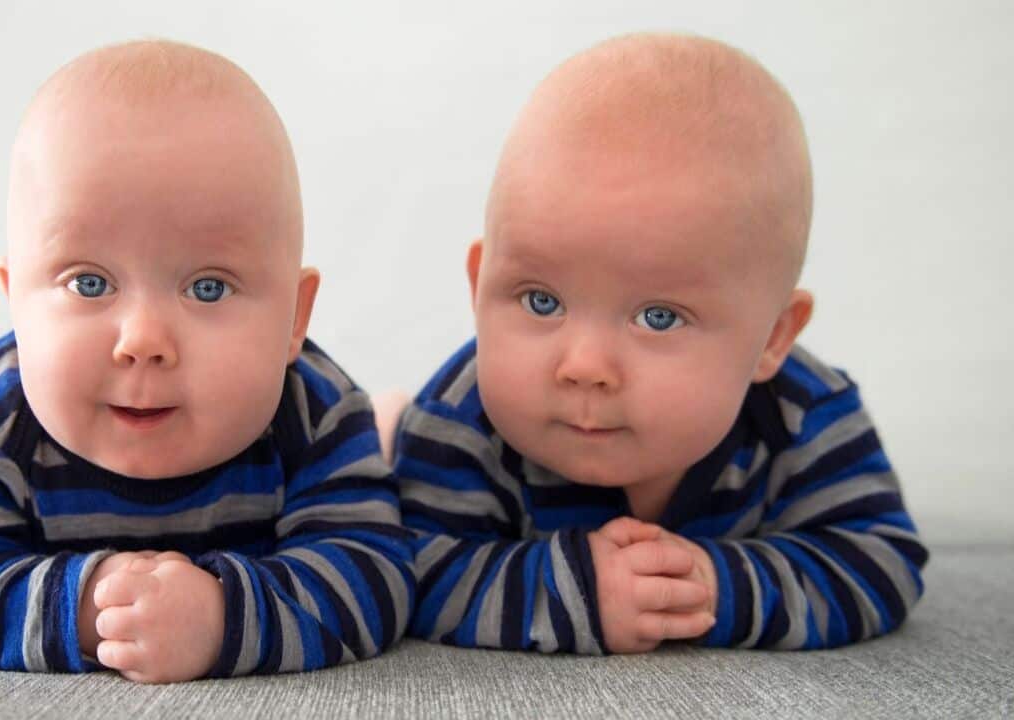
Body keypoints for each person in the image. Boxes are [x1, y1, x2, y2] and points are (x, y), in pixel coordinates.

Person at [383, 33, 928, 654]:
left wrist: (708, 585)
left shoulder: (804, 414)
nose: (584, 366)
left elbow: (881, 558)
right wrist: (578, 594)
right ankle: (387, 425)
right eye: (541, 301)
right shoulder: (461, 420)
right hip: (419, 450)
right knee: (385, 467)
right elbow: (412, 567)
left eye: (659, 317)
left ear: (772, 338)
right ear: (480, 286)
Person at [0, 40, 413, 683]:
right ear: (15, 303)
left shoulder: (318, 412)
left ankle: (389, 431)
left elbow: (374, 576)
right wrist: (90, 608)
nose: (142, 339)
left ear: (294, 320)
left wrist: (222, 618)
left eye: (208, 287)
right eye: (88, 283)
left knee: (381, 471)